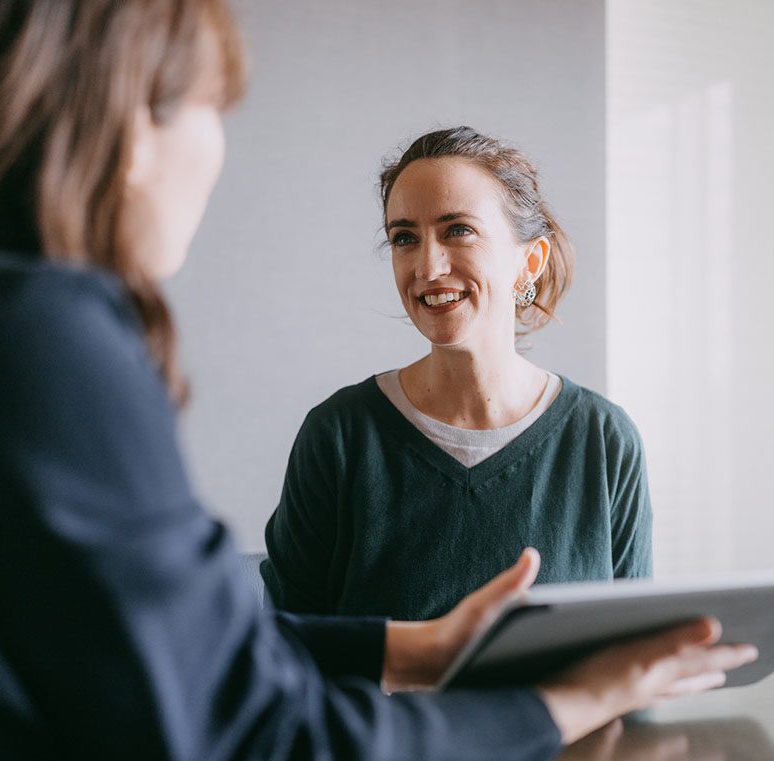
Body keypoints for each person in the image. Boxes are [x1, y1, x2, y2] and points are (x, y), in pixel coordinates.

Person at [0, 1, 757, 761]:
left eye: (456, 232)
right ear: (123, 121)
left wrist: (411, 648)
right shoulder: (26, 338)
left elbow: (186, 653)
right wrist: (556, 707)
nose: (217, 150)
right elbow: (252, 734)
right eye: (211, 104)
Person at [261, 127, 652, 621]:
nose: (426, 266)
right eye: (405, 238)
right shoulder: (339, 436)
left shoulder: (603, 439)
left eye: (457, 230)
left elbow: (632, 658)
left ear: (529, 261)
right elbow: (280, 653)